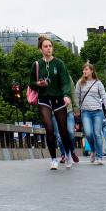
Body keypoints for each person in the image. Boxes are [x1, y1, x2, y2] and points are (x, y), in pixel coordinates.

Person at [28, 35, 73, 170]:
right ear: (40, 49)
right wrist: (38, 84)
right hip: (44, 100)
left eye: (50, 46)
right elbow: (30, 83)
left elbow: (65, 81)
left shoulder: (59, 64)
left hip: (59, 99)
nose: (48, 48)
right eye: (45, 46)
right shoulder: (36, 65)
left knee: (63, 130)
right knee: (49, 129)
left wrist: (66, 95)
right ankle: (53, 159)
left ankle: (68, 153)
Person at [75, 63, 106, 165]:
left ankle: (99, 156)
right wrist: (76, 109)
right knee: (89, 133)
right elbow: (76, 97)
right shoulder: (80, 83)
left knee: (97, 133)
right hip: (85, 112)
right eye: (83, 70)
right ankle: (93, 150)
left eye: (86, 69)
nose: (84, 71)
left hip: (98, 112)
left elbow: (104, 98)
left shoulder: (98, 83)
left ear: (92, 71)